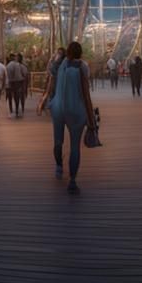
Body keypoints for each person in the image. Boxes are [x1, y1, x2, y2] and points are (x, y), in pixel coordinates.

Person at [50, 41, 96, 194]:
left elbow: (51, 76)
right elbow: (86, 95)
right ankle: (72, 181)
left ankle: (58, 166)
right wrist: (92, 120)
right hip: (76, 110)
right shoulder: (82, 67)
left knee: (58, 141)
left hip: (57, 107)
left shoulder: (61, 65)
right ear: (80, 53)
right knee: (75, 147)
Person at [6, 53, 25, 118]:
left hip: (9, 82)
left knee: (10, 97)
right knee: (17, 97)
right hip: (17, 83)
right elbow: (19, 75)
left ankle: (11, 110)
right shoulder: (17, 65)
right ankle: (16, 110)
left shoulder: (8, 65)